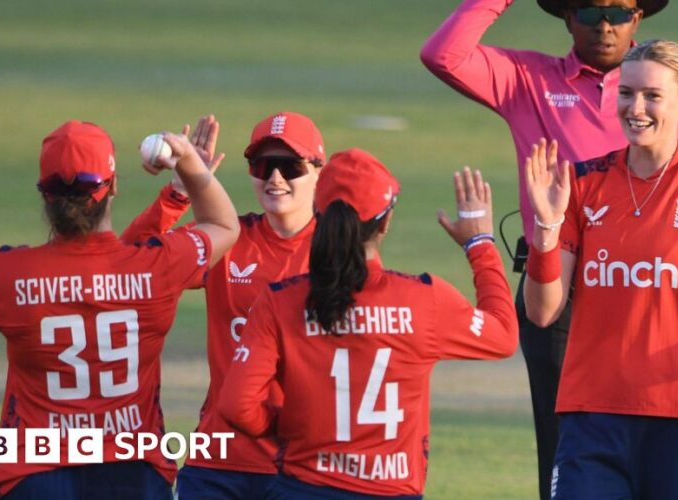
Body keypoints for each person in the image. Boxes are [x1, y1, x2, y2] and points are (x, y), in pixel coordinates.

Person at [420, 1, 678, 493]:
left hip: (651, 286)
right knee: (565, 456)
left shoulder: (668, 89)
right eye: (590, 9)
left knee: (664, 441)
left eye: (618, 11)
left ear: (638, 19)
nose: (604, 24)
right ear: (566, 16)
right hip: (558, 283)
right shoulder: (527, 78)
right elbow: (443, 55)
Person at [522, 40, 678, 498]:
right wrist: (546, 230)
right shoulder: (583, 183)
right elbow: (543, 312)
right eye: (626, 92)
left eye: (652, 96)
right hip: (591, 418)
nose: (635, 107)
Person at [217, 149, 518, 498]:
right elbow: (504, 335)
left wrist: (286, 427)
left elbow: (236, 405)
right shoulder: (424, 299)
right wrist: (478, 244)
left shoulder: (279, 301)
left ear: (319, 214)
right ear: (385, 222)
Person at [0, 120, 239, 499]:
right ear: (113, 186)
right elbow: (222, 224)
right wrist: (189, 166)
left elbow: (92, 270)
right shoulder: (156, 267)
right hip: (133, 473)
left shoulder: (7, 273)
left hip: (35, 475)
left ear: (46, 196)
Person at [121, 111, 325, 499]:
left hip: (301, 468)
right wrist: (181, 191)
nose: (275, 178)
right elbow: (131, 265)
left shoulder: (337, 253)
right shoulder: (228, 240)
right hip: (217, 465)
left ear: (318, 171)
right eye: (263, 165)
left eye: (290, 166)